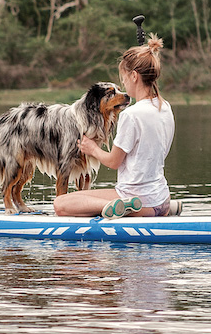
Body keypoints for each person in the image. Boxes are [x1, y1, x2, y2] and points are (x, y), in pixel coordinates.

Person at [53, 34, 176, 218]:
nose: (124, 85)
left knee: (60, 204)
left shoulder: (131, 115)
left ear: (134, 76)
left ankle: (122, 206)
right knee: (81, 197)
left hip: (138, 198)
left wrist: (92, 149)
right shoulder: (165, 107)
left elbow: (113, 162)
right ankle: (167, 207)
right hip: (160, 197)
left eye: (124, 79)